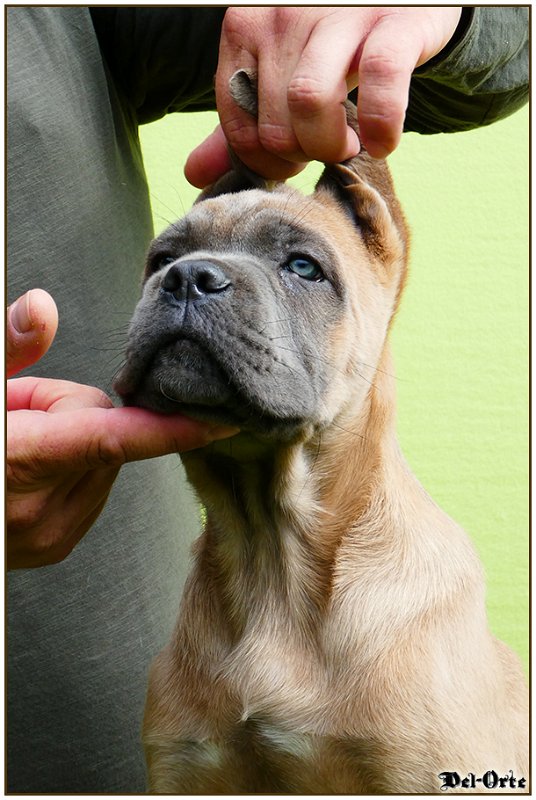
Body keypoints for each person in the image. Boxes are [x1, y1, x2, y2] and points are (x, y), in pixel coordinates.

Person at [6, 6, 528, 793]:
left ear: (382, 253)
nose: (193, 279)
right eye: (170, 259)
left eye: (302, 267)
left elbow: (504, 45)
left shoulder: (434, 653)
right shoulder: (183, 671)